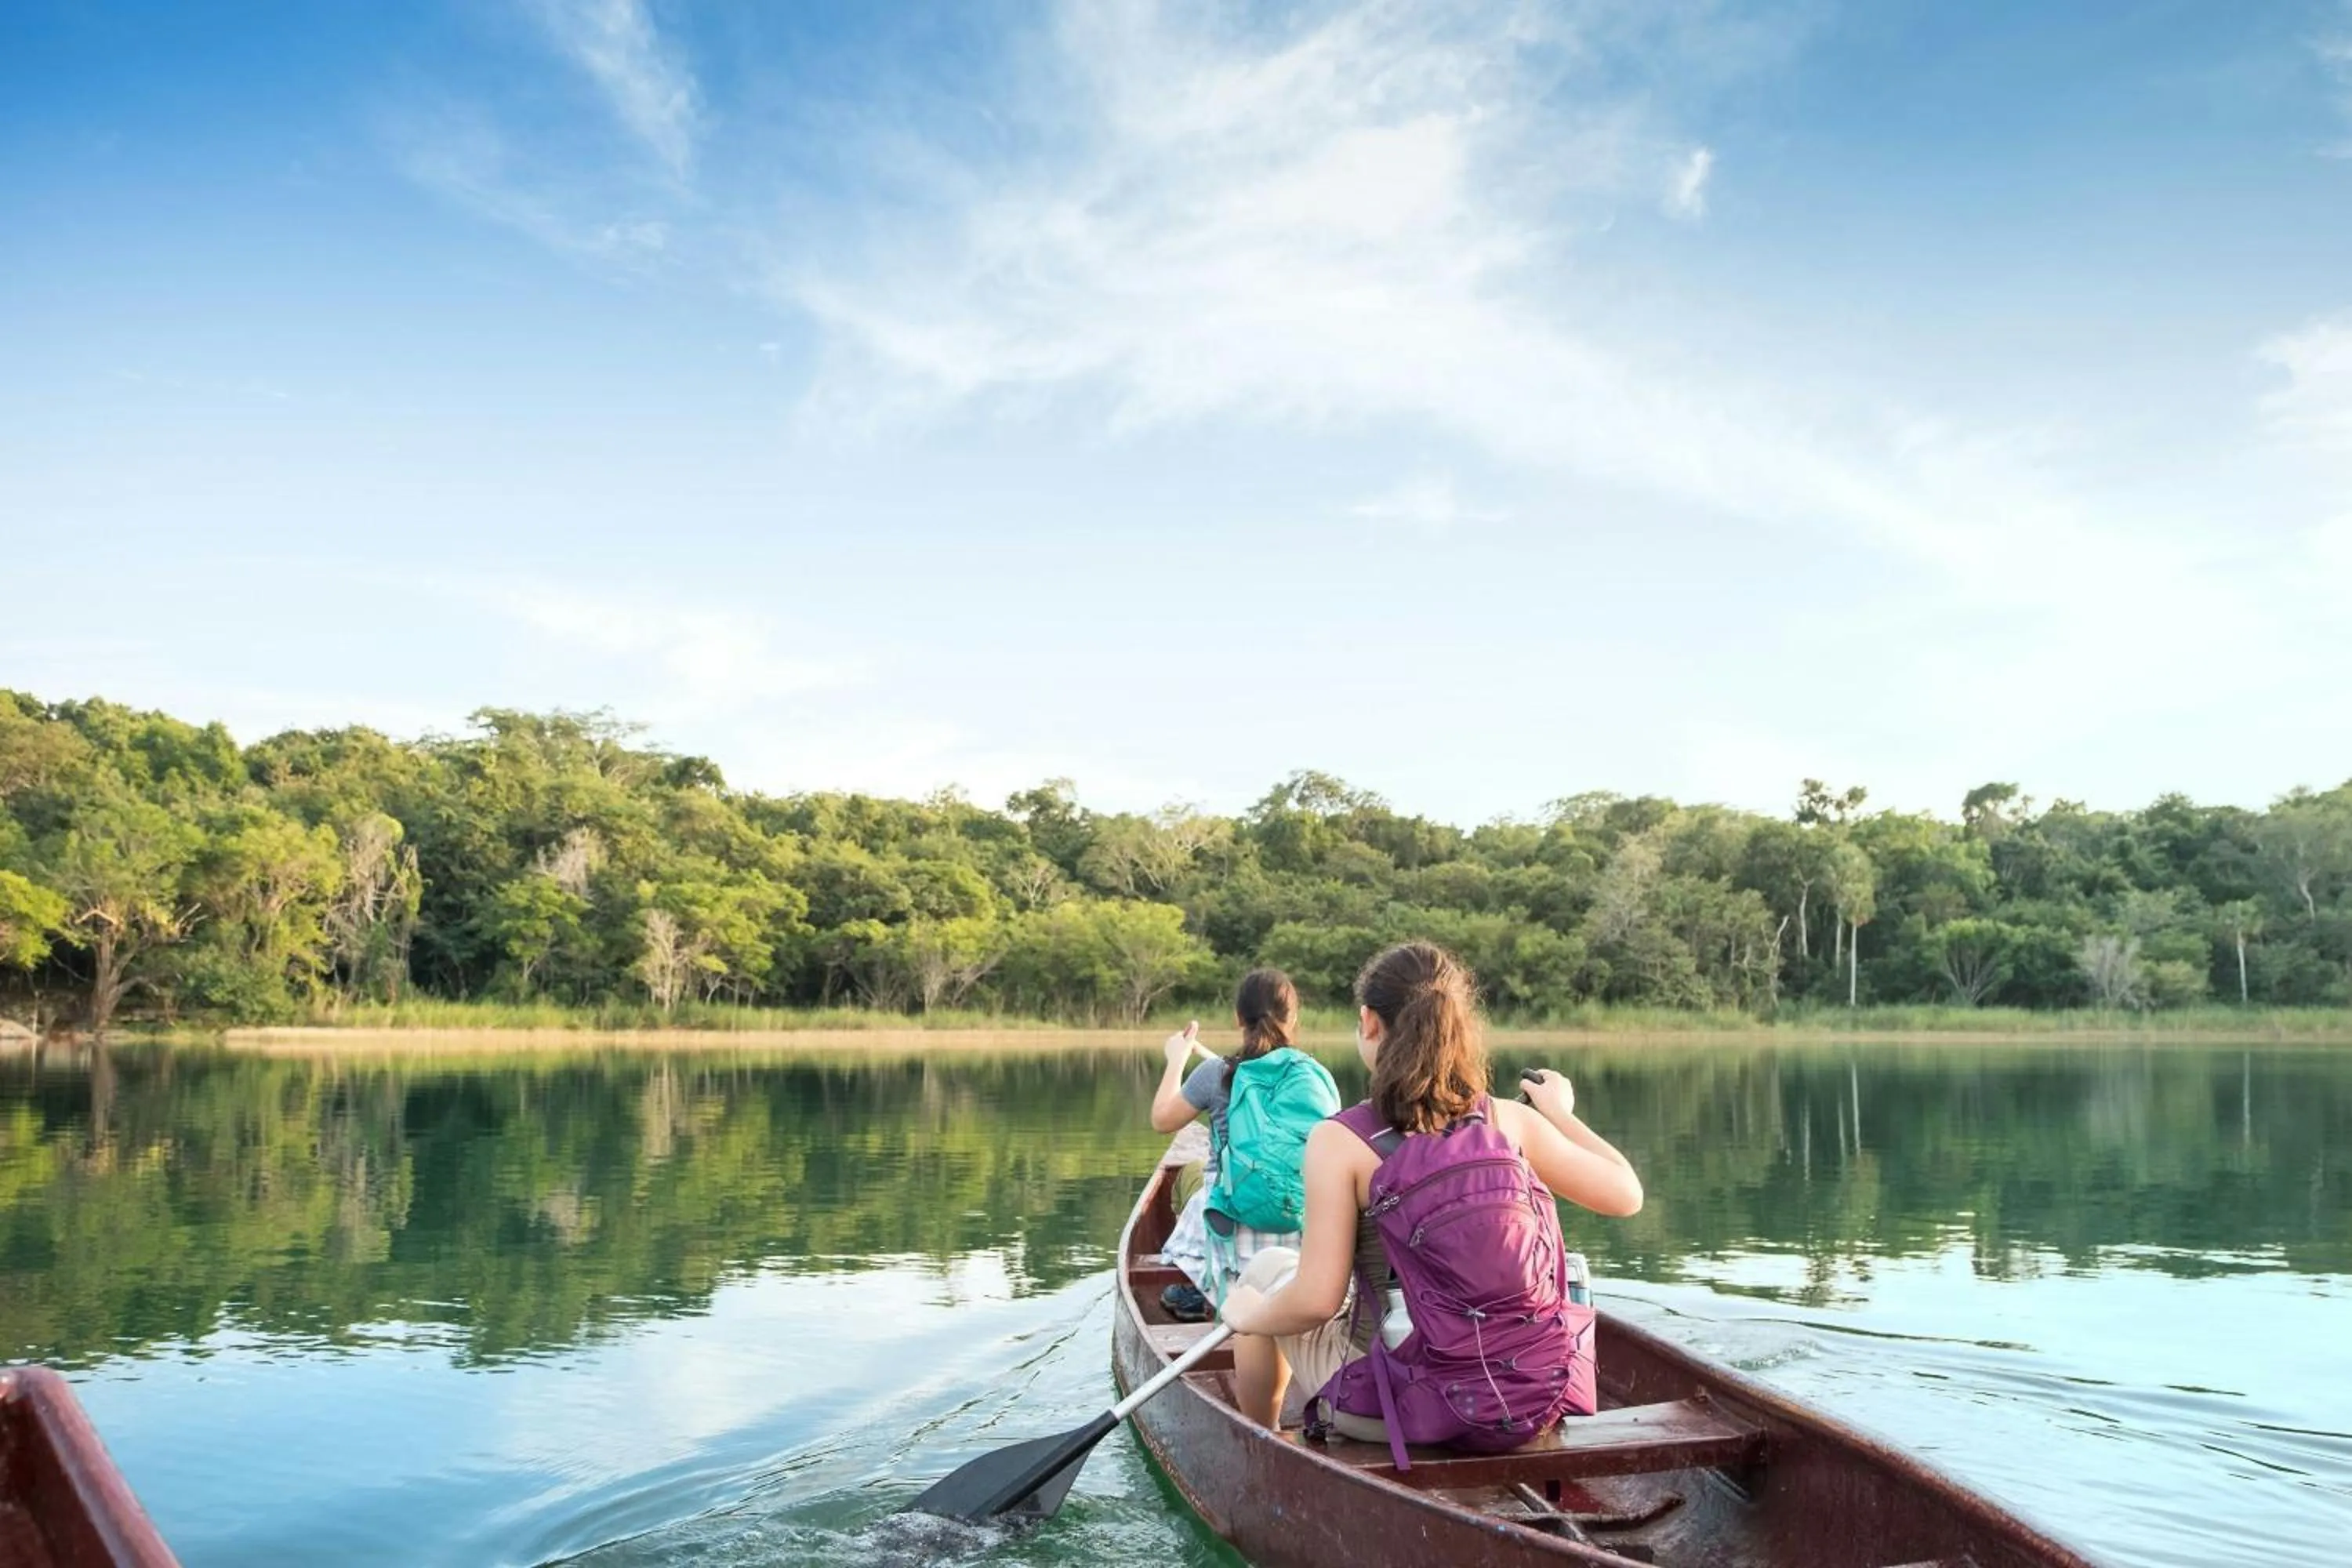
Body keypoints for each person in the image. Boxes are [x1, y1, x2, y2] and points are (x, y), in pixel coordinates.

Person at [1217, 941, 1642, 1443]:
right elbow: (1627, 1194)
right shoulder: (1509, 1120)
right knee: (1273, 1284)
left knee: (1262, 1276)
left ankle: (1264, 1440)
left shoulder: (1340, 1141)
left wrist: (1248, 1316)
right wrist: (1560, 1114)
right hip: (1531, 1395)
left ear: (1369, 1022)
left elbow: (1315, 1299)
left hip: (1398, 1409)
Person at [1147, 969, 1335, 1360]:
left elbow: (1162, 1120)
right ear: (1294, 1019)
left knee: (1193, 1175)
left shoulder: (1217, 1073)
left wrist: (1176, 1059)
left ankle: (1204, 1287)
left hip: (1230, 1228)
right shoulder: (1315, 1077)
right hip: (1300, 1228)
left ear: (1238, 1018)